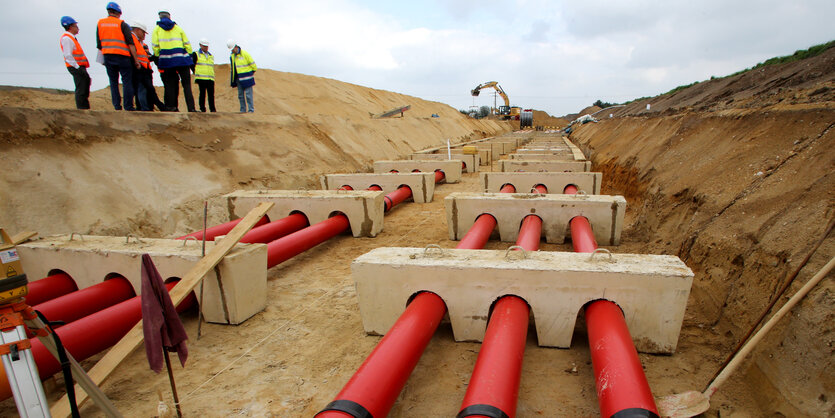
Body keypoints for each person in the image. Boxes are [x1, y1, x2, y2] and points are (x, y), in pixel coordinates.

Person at [96, 2, 140, 110]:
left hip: (108, 57)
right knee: (126, 81)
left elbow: (99, 44)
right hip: (122, 57)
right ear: (119, 13)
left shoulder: (100, 23)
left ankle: (117, 106)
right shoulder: (122, 24)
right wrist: (136, 60)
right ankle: (128, 106)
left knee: (113, 82)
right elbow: (130, 44)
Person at [152, 10, 196, 112]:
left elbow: (155, 46)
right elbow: (187, 44)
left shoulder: (157, 30)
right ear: (169, 17)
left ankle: (171, 107)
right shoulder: (178, 28)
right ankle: (191, 108)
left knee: (170, 85)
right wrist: (189, 56)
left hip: (167, 61)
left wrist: (159, 56)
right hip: (182, 59)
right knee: (186, 85)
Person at [59, 16, 91, 109]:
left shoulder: (71, 38)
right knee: (81, 88)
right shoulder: (67, 38)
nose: (78, 28)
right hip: (76, 66)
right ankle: (82, 109)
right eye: (75, 26)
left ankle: (85, 108)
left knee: (85, 84)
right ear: (70, 27)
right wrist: (77, 67)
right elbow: (68, 55)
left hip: (79, 66)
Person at [128, 22, 155, 111]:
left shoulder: (141, 43)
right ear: (138, 30)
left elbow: (147, 56)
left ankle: (144, 107)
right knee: (141, 90)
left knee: (144, 90)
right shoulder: (133, 40)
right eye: (143, 32)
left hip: (144, 69)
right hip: (139, 69)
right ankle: (144, 108)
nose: (144, 35)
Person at [227, 39, 256, 113]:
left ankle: (251, 110)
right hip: (238, 78)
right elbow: (233, 67)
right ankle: (242, 110)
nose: (232, 51)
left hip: (247, 78)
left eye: (233, 49)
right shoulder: (232, 56)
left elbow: (253, 65)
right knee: (240, 95)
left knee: (248, 95)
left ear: (236, 47)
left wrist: (250, 73)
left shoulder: (245, 54)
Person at [194, 39, 216, 112]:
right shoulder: (196, 54)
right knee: (202, 94)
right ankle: (202, 108)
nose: (206, 47)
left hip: (210, 78)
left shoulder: (211, 55)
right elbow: (192, 65)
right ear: (200, 45)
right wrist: (196, 73)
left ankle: (212, 109)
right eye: (204, 46)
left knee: (211, 95)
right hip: (201, 78)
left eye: (207, 46)